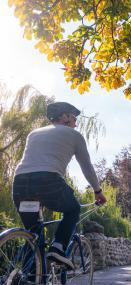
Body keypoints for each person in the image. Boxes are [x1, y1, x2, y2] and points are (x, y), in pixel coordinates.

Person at [12, 102, 107, 269]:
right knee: (73, 209)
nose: (76, 123)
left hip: (20, 183)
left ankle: (30, 283)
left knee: (34, 233)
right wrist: (98, 191)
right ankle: (58, 247)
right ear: (64, 116)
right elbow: (86, 166)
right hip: (47, 181)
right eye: (73, 118)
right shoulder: (74, 135)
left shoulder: (33, 133)